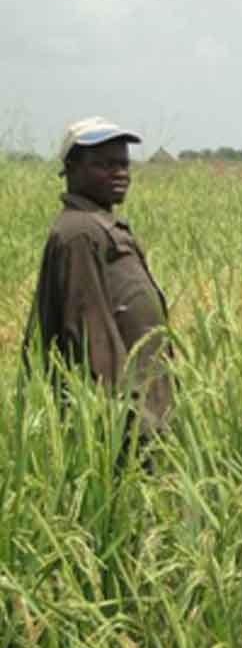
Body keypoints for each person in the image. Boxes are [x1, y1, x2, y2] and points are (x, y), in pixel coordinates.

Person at [24, 117, 173, 445]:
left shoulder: (98, 226)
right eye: (104, 165)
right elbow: (90, 331)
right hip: (126, 417)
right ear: (72, 168)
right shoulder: (80, 233)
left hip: (145, 406)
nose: (120, 173)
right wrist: (128, 415)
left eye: (123, 163)